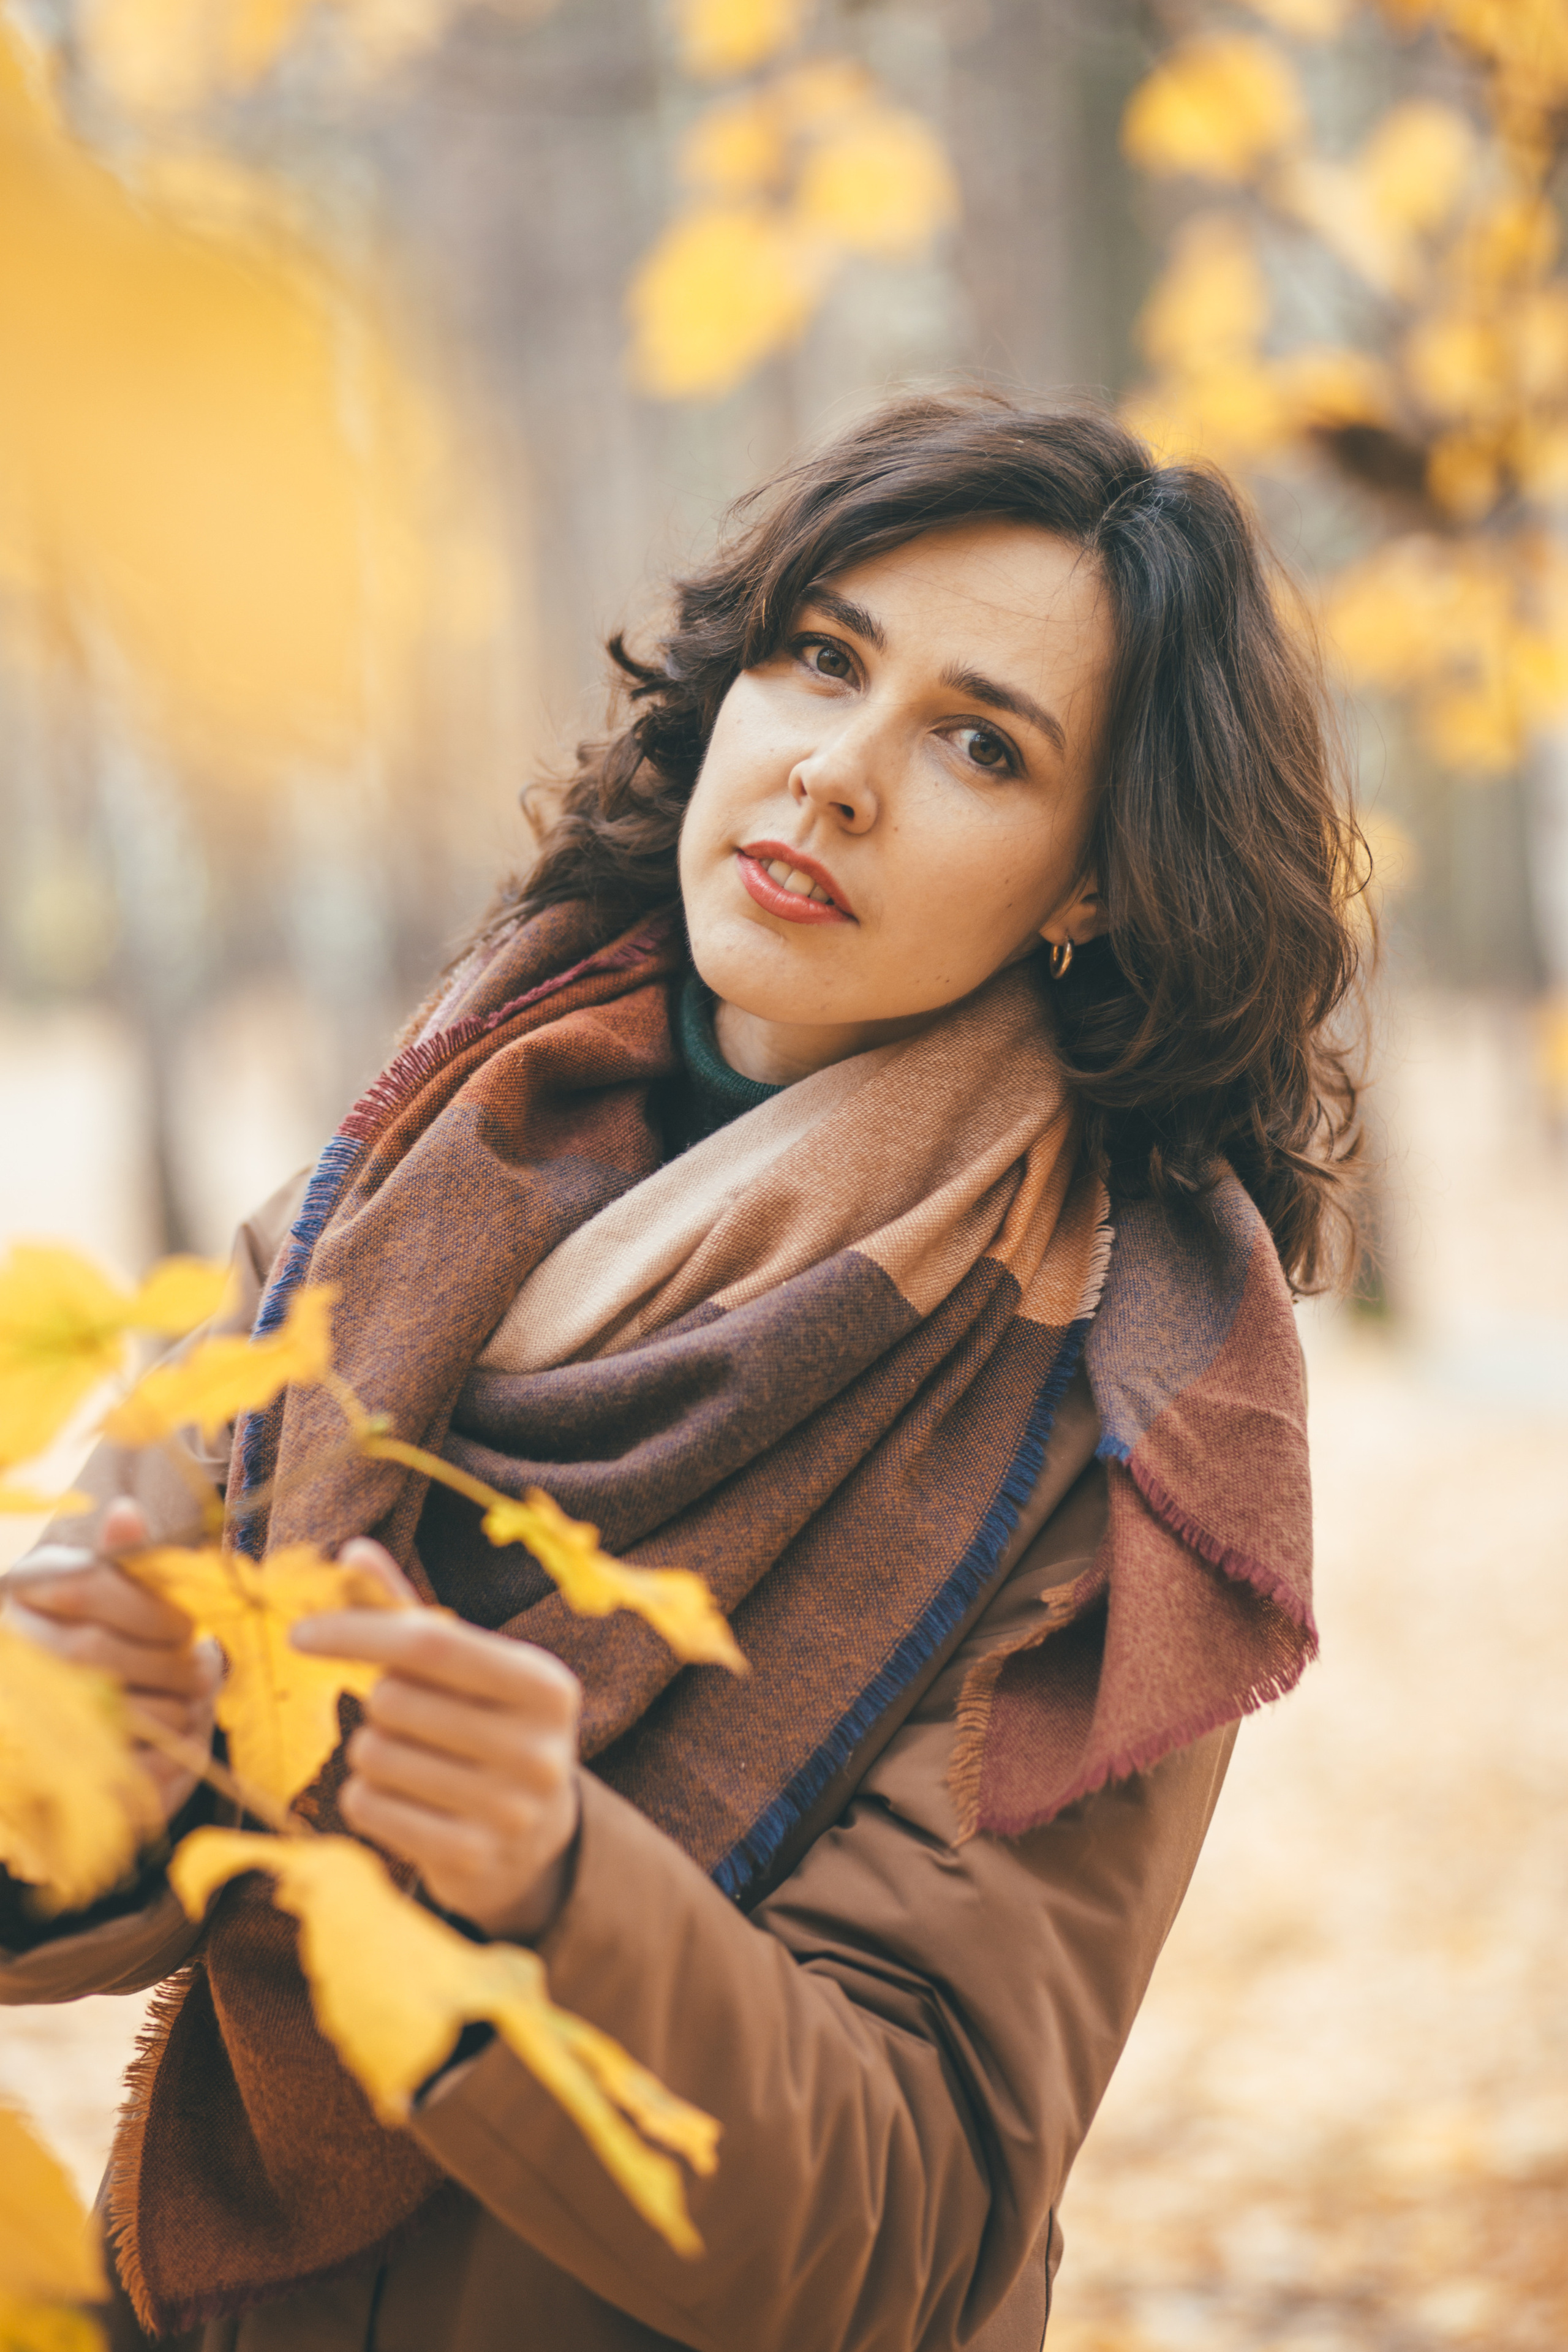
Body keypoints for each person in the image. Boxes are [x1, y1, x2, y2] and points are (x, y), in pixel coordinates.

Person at [1, 395, 1363, 2352]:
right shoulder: (421, 1160)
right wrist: (67, 1763)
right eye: (822, 660)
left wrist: (555, 1890)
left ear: (1092, 884)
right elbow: (90, 1813)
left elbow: (910, 2230)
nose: (837, 775)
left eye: (981, 744)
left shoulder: (1116, 1421)